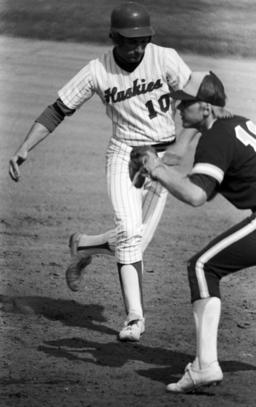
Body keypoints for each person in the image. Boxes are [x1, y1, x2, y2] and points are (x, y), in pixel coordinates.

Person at [9, 2, 196, 342]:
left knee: (136, 239)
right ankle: (135, 318)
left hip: (162, 160)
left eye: (143, 40)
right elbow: (58, 109)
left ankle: (84, 246)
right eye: (130, 41)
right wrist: (24, 147)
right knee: (129, 232)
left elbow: (196, 100)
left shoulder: (165, 58)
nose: (138, 47)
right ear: (113, 37)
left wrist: (186, 144)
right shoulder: (97, 70)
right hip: (124, 154)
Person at [133, 71, 256, 392]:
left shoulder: (215, 137)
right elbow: (204, 190)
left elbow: (195, 196)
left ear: (206, 107)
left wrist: (156, 168)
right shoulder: (238, 124)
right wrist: (163, 173)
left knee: (202, 266)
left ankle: (204, 366)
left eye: (185, 103)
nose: (178, 109)